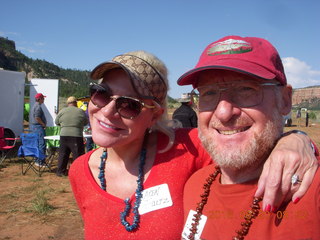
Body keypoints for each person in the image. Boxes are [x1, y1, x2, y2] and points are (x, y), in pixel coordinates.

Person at [68, 50, 318, 239]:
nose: (107, 111)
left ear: (155, 115)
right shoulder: (80, 171)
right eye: (100, 93)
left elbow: (247, 140)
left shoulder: (187, 147)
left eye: (129, 104)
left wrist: (295, 139)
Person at [180, 36, 320, 239]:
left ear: (285, 100)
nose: (223, 112)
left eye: (246, 89)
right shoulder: (194, 185)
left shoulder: (311, 191)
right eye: (209, 93)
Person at [55, 96, 88, 176]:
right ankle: (78, 172)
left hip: (64, 135)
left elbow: (56, 122)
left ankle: (60, 172)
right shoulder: (80, 111)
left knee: (63, 154)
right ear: (76, 103)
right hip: (76, 135)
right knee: (78, 155)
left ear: (68, 103)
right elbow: (86, 122)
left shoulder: (62, 111)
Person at [29, 93, 47, 166]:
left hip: (35, 127)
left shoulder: (35, 106)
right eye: (43, 98)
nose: (44, 99)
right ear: (39, 99)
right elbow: (37, 118)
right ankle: (40, 161)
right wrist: (43, 124)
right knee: (41, 144)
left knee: (37, 143)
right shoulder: (38, 107)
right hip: (38, 127)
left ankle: (36, 160)